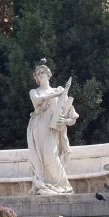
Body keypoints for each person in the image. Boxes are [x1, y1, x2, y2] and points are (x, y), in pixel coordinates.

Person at [26, 60, 79, 195]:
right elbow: (37, 100)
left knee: (51, 155)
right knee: (40, 157)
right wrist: (58, 95)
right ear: (36, 78)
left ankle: (63, 184)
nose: (40, 75)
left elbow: (72, 116)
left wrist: (65, 120)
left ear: (49, 75)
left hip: (53, 127)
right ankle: (43, 183)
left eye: (43, 72)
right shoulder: (34, 91)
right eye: (38, 74)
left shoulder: (59, 91)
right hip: (38, 126)